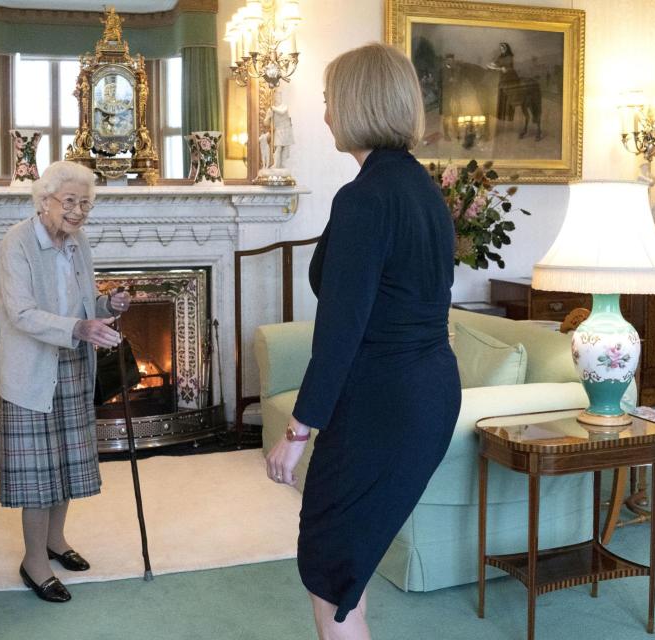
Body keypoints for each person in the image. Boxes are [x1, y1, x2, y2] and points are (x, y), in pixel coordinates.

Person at [265, 43, 461, 639]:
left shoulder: (367, 198)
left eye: (328, 100)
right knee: (349, 560)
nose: (324, 113)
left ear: (356, 104)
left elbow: (339, 335)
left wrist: (297, 434)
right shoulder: (422, 189)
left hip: (385, 401)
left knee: (330, 568)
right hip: (426, 391)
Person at [0, 160, 131, 603]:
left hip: (71, 365)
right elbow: (21, 313)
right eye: (69, 201)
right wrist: (79, 328)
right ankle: (34, 560)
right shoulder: (16, 244)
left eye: (85, 204)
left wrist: (107, 303)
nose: (77, 211)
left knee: (67, 466)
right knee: (39, 474)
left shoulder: (78, 243)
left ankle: (56, 541)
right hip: (32, 372)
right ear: (44, 200)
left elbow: (83, 301)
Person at [487, 42, 520, 121]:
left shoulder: (509, 57)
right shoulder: (500, 56)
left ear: (506, 49)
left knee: (509, 95)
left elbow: (505, 69)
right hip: (502, 77)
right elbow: (496, 63)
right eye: (500, 49)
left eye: (502, 48)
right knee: (501, 94)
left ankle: (510, 116)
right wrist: (491, 64)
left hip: (510, 75)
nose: (501, 50)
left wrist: (495, 68)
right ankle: (501, 116)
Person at [263, 91, 294, 169]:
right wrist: (269, 117)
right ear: (274, 98)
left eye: (280, 96)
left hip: (286, 129)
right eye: (277, 96)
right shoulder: (271, 110)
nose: (278, 98)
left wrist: (273, 109)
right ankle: (276, 164)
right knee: (278, 147)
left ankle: (282, 164)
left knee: (285, 149)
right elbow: (266, 123)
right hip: (278, 130)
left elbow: (282, 112)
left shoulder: (284, 106)